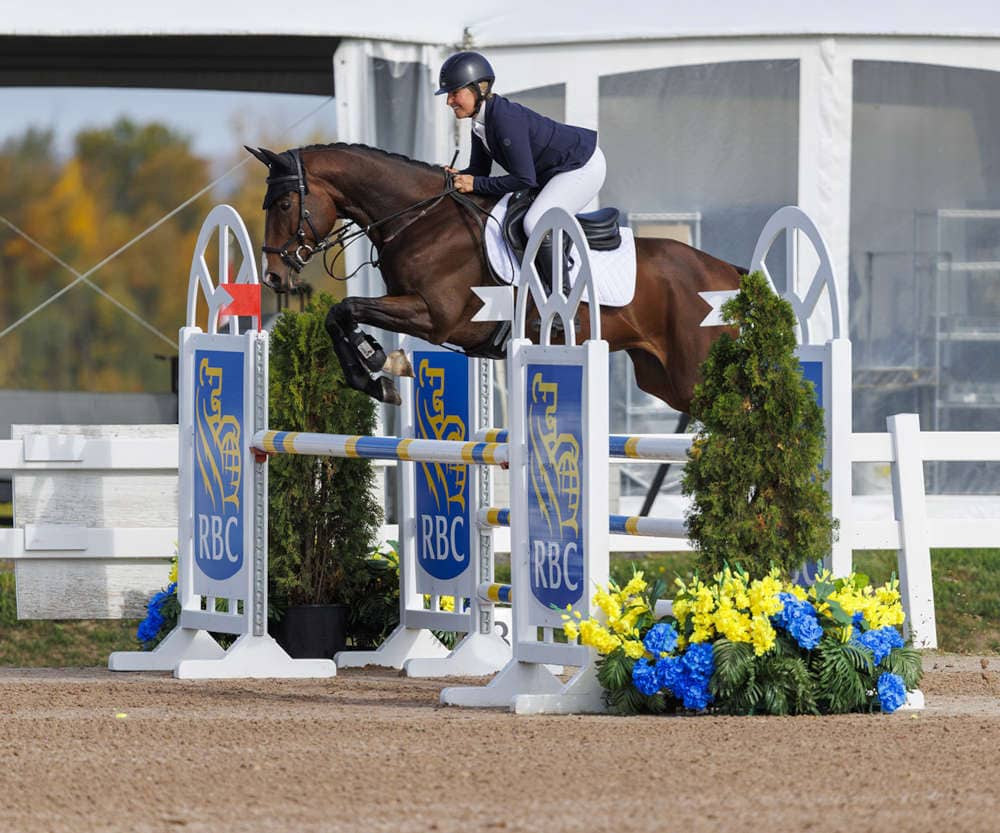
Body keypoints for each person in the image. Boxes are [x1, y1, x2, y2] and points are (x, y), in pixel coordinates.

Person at [436, 50, 607, 289]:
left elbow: (524, 179)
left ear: (479, 88)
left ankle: (563, 296)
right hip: (553, 171)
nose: (449, 101)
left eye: (454, 93)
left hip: (581, 165)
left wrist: (473, 183)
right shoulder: (480, 122)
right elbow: (479, 171)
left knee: (534, 221)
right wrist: (458, 176)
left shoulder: (505, 119)